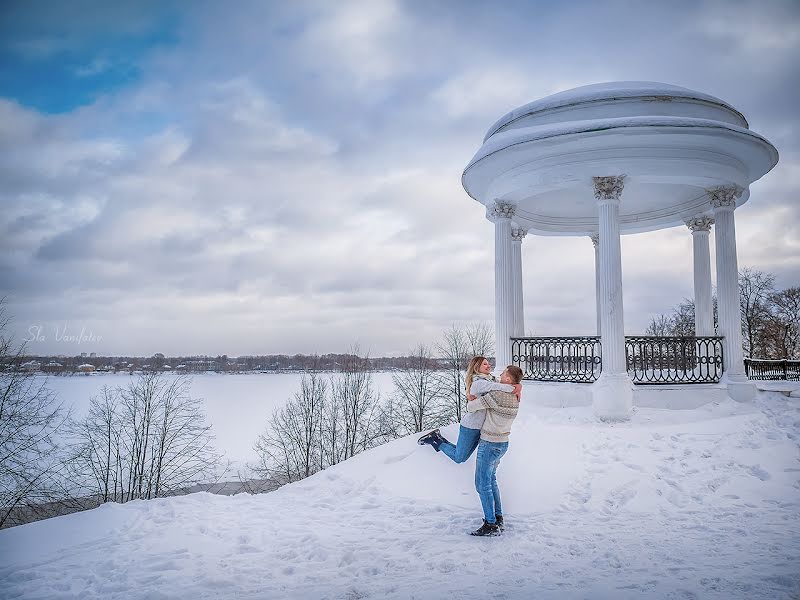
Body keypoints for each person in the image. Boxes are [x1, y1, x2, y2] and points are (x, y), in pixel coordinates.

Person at [417, 356, 520, 464]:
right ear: (476, 367)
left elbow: (505, 382)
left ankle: (437, 439)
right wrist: (516, 387)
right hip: (471, 426)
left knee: (461, 455)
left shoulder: (491, 379)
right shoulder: (478, 383)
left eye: (488, 363)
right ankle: (435, 440)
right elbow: (503, 387)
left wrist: (518, 385)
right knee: (459, 458)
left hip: (482, 428)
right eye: (484, 364)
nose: (488, 365)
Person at [467, 365, 523, 537]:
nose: (500, 374)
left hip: (489, 443)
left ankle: (490, 524)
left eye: (504, 373)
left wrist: (471, 398)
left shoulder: (497, 395)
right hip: (502, 443)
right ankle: (498, 518)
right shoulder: (515, 396)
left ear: (508, 379)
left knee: (481, 484)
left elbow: (471, 407)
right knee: (491, 481)